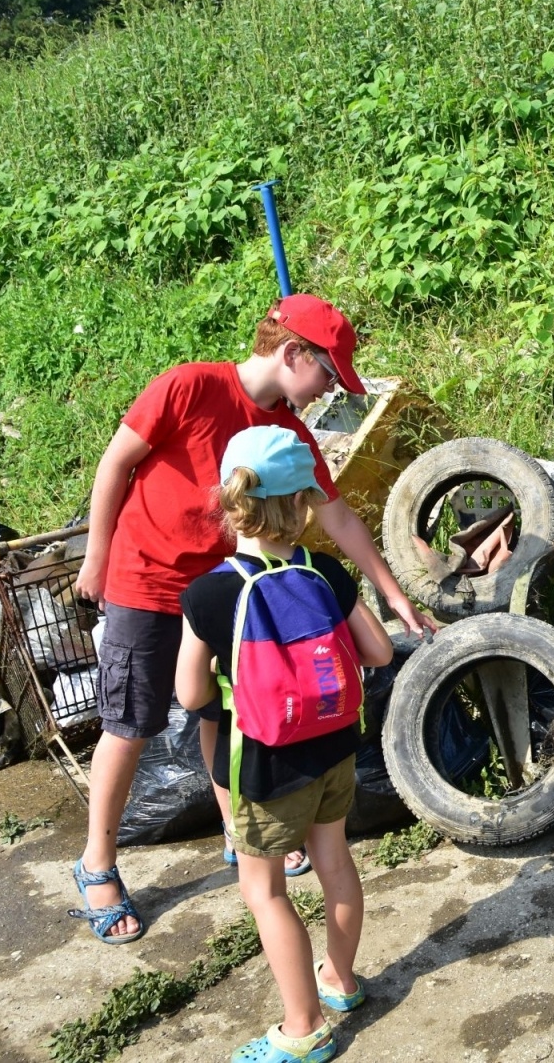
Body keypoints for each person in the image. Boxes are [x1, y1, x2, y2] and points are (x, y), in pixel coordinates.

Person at [69, 294, 431, 944]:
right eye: (327, 373)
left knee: (223, 714)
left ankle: (242, 836)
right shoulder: (187, 385)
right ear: (292, 353)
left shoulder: (287, 437)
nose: (327, 390)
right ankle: (97, 860)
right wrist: (96, 559)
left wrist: (391, 590)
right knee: (132, 721)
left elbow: (337, 514)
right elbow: (115, 464)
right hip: (144, 581)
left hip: (225, 592)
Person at [177, 424, 387, 1063]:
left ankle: (303, 1029)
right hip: (333, 751)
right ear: (302, 505)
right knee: (335, 861)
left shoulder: (210, 593)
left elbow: (189, 696)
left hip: (263, 766)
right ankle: (342, 981)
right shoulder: (324, 571)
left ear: (229, 499)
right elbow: (376, 651)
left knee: (265, 890)